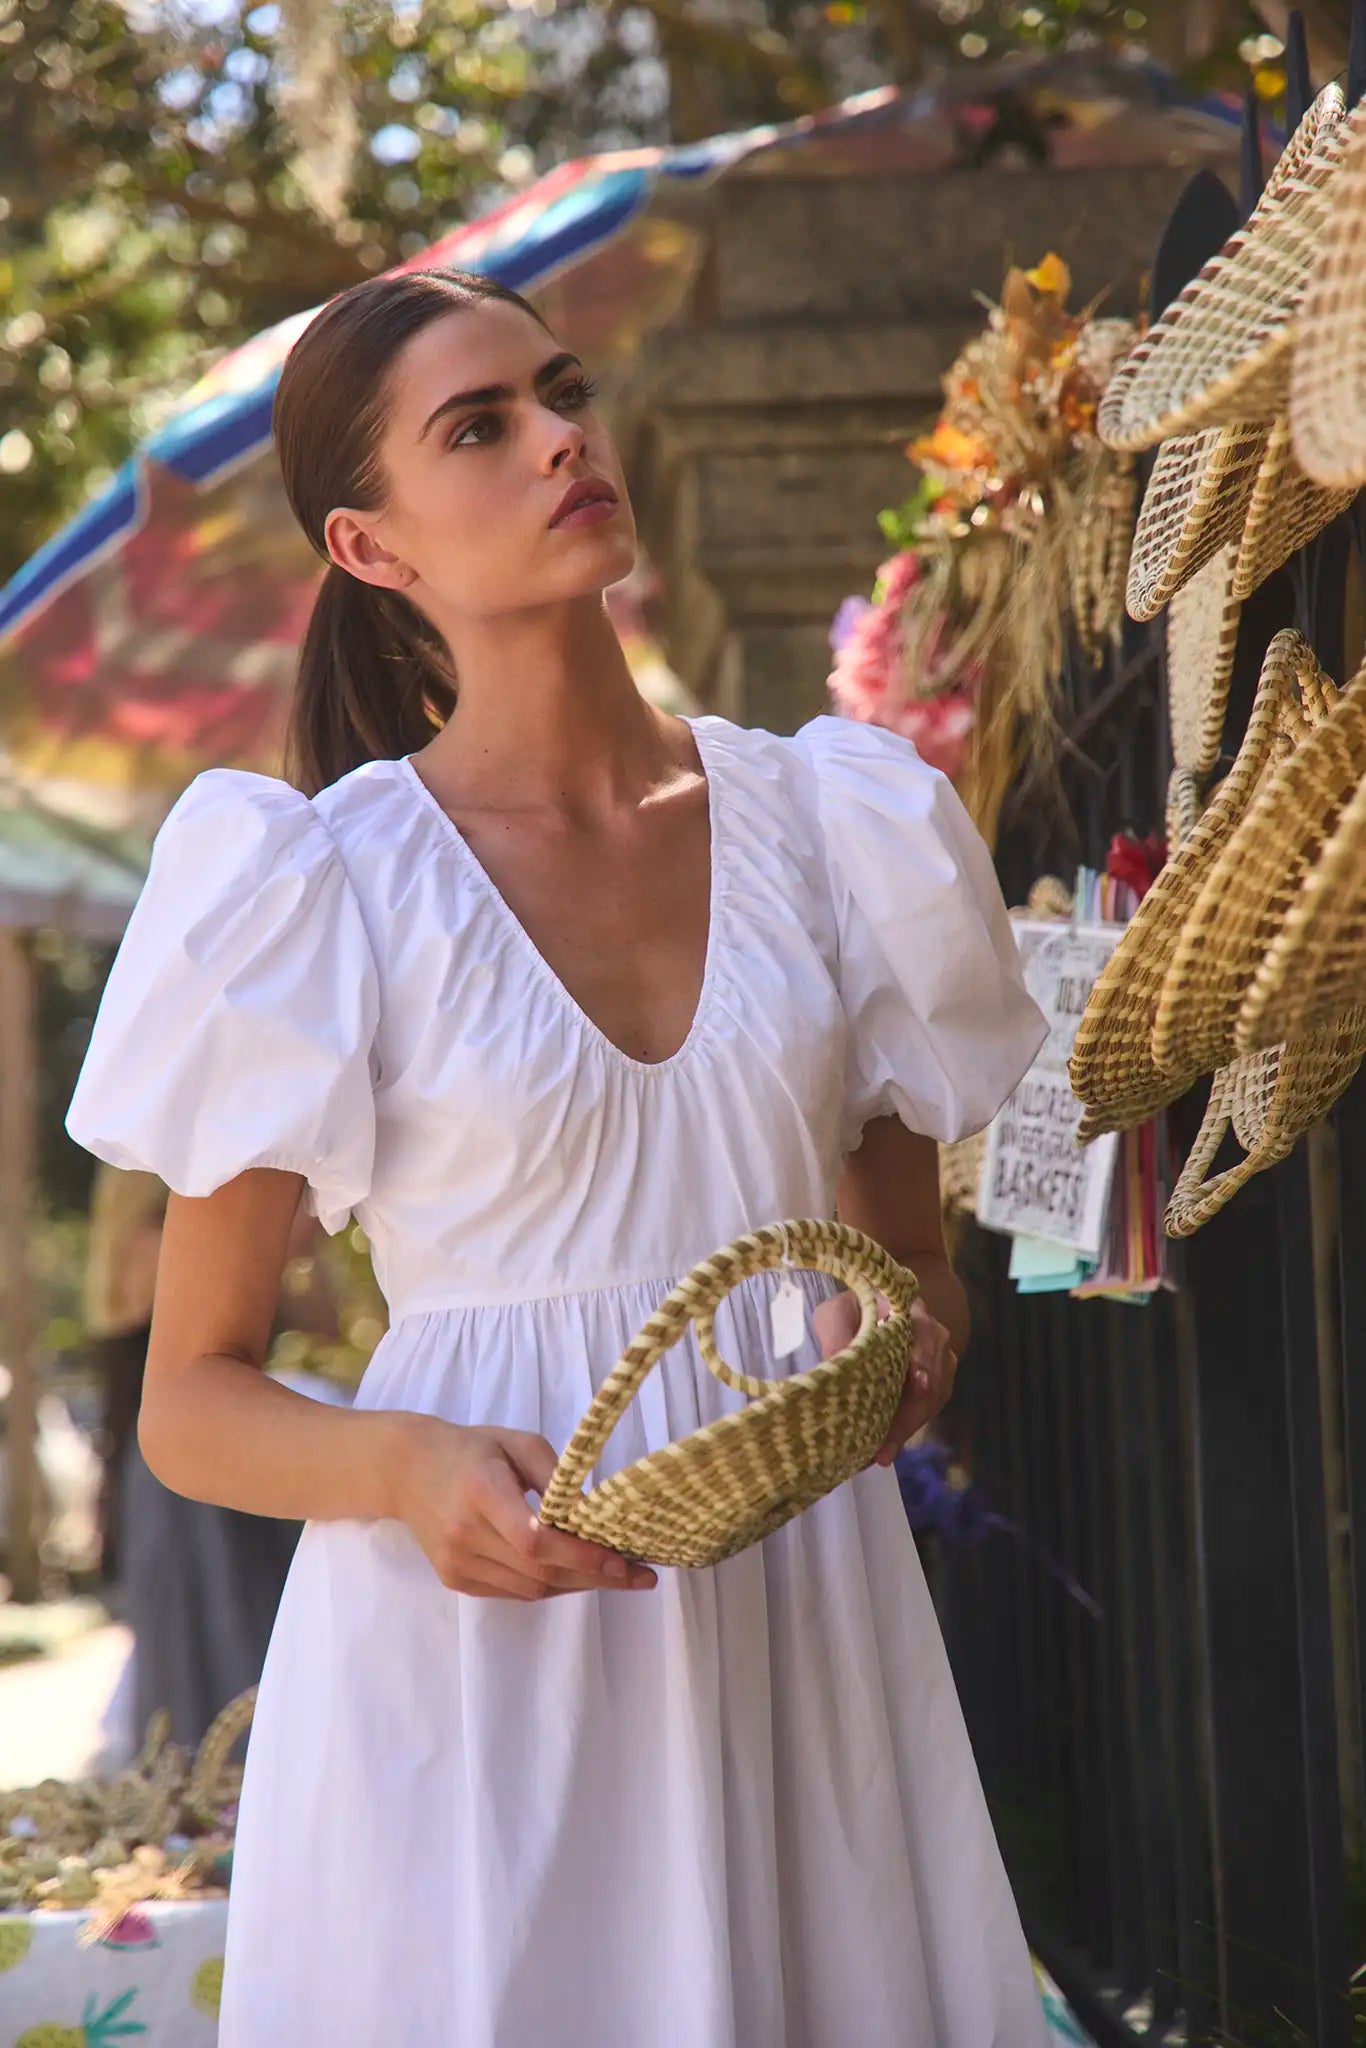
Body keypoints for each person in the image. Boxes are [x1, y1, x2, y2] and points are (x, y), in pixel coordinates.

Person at [64, 268, 1050, 2047]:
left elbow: (911, 1267)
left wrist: (902, 1342)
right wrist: (402, 1470)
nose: (558, 438)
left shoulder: (835, 824)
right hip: (472, 1669)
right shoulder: (317, 886)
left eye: (558, 391)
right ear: (371, 550)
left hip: (793, 1631)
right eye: (479, 427)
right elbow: (189, 1401)